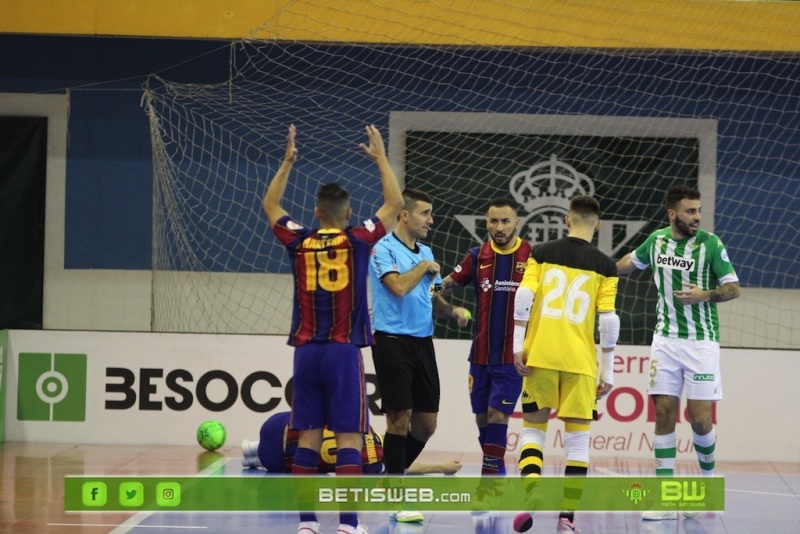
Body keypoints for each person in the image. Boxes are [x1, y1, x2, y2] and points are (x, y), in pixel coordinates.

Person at [262, 124, 403, 534]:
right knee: (348, 440)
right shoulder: (358, 240)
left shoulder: (299, 241)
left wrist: (288, 161)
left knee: (306, 437)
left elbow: (270, 205)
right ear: (348, 211)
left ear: (316, 212)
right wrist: (379, 158)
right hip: (343, 352)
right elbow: (394, 202)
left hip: (306, 352)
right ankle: (347, 524)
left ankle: (307, 524)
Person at [616, 185, 740, 522]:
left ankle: (709, 486)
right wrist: (604, 269)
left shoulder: (711, 244)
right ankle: (663, 496)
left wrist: (704, 295)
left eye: (698, 210)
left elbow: (733, 288)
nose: (696, 217)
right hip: (666, 342)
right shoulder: (656, 241)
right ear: (672, 214)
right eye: (689, 211)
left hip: (701, 343)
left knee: (700, 420)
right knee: (664, 413)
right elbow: (632, 262)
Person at [512, 195, 619, 534]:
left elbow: (525, 296)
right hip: (580, 362)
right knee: (577, 443)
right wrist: (609, 369)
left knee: (532, 431)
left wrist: (518, 346)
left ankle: (530, 496)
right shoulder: (606, 265)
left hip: (540, 354)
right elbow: (609, 320)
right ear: (597, 225)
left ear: (567, 220)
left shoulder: (540, 253)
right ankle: (567, 519)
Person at [368, 187, 471, 523]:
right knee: (399, 419)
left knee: (426, 424)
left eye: (431, 213)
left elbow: (432, 298)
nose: (431, 219)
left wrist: (451, 309)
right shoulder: (383, 249)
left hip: (423, 344)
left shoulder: (426, 250)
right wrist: (425, 266)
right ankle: (395, 498)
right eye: (425, 213)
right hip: (391, 341)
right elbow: (397, 287)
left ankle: (389, 476)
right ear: (405, 215)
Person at [441, 198, 531, 481]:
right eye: (494, 221)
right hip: (480, 354)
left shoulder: (532, 257)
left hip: (511, 356)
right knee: (482, 417)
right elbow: (444, 285)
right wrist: (427, 285)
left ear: (517, 222)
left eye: (505, 221)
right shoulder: (477, 256)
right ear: (486, 223)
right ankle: (498, 468)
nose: (499, 227)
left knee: (496, 415)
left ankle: (489, 483)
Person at [240, 411, 463, 476]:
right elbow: (404, 466)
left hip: (273, 427)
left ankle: (253, 447)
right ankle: (254, 455)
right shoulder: (374, 464)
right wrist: (441, 467)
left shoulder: (368, 429)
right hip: (275, 461)